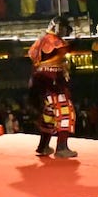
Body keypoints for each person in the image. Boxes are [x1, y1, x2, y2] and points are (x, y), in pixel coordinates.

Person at [27, 16, 78, 159]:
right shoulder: (51, 40)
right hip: (51, 83)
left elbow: (33, 55)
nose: (63, 32)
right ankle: (62, 147)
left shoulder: (41, 39)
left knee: (48, 115)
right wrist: (75, 43)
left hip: (42, 84)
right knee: (66, 111)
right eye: (62, 28)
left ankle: (43, 146)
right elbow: (60, 50)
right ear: (56, 26)